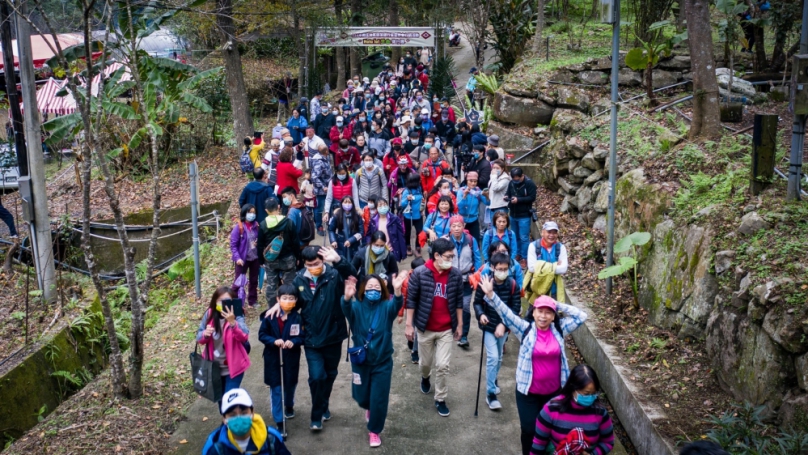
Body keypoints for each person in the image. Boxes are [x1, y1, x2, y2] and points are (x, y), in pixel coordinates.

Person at [478, 276, 588, 455]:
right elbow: (506, 314)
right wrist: (491, 295)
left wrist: (556, 304)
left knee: (552, 431)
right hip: (527, 393)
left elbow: (582, 316)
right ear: (533, 312)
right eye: (540, 311)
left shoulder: (560, 330)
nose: (543, 316)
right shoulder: (525, 329)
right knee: (529, 431)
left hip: (555, 393)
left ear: (553, 316)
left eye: (548, 312)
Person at [265, 246, 356, 431]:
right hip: (311, 338)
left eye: (316, 263)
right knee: (316, 377)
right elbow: (291, 301)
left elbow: (354, 276)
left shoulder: (334, 275)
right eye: (309, 265)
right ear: (304, 264)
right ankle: (316, 416)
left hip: (333, 335)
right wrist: (279, 305)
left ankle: (323, 404)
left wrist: (338, 260)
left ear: (322, 261)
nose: (313, 267)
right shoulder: (299, 279)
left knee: (330, 375)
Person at [341, 272, 408, 447]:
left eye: (377, 287)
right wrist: (347, 298)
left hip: (382, 362)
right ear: (363, 289)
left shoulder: (386, 307)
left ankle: (374, 430)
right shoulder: (356, 307)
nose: (373, 290)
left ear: (383, 290)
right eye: (369, 287)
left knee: (379, 398)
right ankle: (369, 407)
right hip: (360, 361)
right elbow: (346, 309)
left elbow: (397, 304)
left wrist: (398, 291)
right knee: (362, 396)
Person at [404, 238, 464, 417]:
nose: (451, 260)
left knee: (443, 365)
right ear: (436, 256)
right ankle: (425, 377)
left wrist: (460, 324)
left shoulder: (455, 275)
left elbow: (459, 301)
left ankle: (440, 398)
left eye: (453, 256)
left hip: (446, 328)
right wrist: (409, 324)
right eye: (448, 256)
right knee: (425, 364)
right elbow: (411, 300)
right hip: (425, 328)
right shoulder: (420, 273)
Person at [473, 252, 521, 410]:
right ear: (492, 267)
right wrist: (481, 315)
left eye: (505, 268)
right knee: (493, 357)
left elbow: (515, 309)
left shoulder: (513, 284)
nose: (502, 271)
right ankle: (490, 393)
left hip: (503, 328)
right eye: (499, 268)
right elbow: (477, 303)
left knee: (499, 357)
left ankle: (493, 380)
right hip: (488, 327)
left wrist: (504, 325)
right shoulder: (485, 282)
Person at [531, 364, 615, 455]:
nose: (590, 397)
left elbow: (608, 442)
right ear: (573, 388)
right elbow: (539, 443)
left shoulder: (600, 412)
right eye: (586, 394)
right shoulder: (551, 409)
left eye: (593, 394)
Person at [258, 284, 304, 434]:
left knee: (290, 384)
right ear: (278, 299)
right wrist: (273, 341)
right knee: (276, 389)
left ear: (296, 300)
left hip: (291, 358)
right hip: (273, 358)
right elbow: (262, 334)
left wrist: (295, 341)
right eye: (284, 298)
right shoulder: (270, 316)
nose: (288, 301)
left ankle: (289, 405)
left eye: (291, 298)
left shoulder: (297, 317)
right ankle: (279, 421)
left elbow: (302, 336)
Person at [196, 287, 250, 397]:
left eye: (227, 301)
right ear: (215, 301)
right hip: (214, 367)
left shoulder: (238, 314)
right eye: (220, 300)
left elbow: (244, 337)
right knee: (221, 404)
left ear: (233, 302)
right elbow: (199, 338)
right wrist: (205, 334)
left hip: (234, 367)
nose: (223, 304)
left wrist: (233, 323)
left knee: (229, 402)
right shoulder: (209, 314)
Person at [202, 388, 290, 455]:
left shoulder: (271, 439)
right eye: (232, 415)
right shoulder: (215, 448)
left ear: (252, 413)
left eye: (244, 413)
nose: (239, 418)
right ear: (224, 419)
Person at [442, 215, 481, 348]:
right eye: (454, 226)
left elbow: (477, 258)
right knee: (447, 304)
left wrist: (477, 275)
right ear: (450, 227)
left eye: (459, 226)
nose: (457, 229)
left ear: (464, 226)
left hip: (466, 279)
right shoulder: (445, 241)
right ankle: (446, 331)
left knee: (465, 307)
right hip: (449, 278)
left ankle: (463, 335)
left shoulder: (471, 240)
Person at [257, 198, 301, 305]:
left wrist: (261, 260)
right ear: (278, 207)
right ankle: (290, 305)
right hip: (288, 258)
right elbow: (295, 242)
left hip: (271, 260)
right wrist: (298, 257)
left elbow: (260, 245)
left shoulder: (263, 225)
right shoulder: (289, 222)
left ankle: (272, 307)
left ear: (266, 210)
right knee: (289, 284)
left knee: (271, 284)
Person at [526, 221, 569, 302]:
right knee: (534, 313)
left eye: (554, 232)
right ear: (543, 232)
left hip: (554, 289)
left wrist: (540, 266)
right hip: (537, 289)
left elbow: (563, 269)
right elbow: (531, 268)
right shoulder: (533, 246)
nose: (552, 235)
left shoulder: (560, 248)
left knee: (553, 313)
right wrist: (555, 266)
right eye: (549, 232)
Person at [230, 204, 261, 307]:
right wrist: (237, 258)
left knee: (253, 280)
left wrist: (258, 243)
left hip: (255, 257)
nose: (252, 215)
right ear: (244, 213)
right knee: (239, 281)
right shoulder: (239, 227)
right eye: (250, 212)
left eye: (253, 212)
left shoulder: (256, 226)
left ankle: (252, 300)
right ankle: (234, 301)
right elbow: (233, 245)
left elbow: (260, 239)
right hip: (242, 259)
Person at [507, 167, 538, 267]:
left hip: (524, 215)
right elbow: (508, 193)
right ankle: (518, 254)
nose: (516, 180)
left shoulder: (529, 184)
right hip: (513, 213)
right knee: (515, 236)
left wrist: (519, 200)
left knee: (524, 237)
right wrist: (506, 197)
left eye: (517, 178)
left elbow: (532, 197)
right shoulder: (511, 183)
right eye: (514, 178)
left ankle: (525, 257)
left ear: (522, 176)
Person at [365, 198, 407, 262]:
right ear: (376, 208)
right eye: (380, 205)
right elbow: (369, 235)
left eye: (385, 205)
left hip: (391, 250)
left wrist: (403, 252)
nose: (383, 207)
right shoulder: (373, 221)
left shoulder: (394, 219)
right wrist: (369, 244)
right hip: (378, 250)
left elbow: (400, 236)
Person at [328, 196, 363, 261]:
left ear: (353, 204)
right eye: (345, 202)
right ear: (342, 204)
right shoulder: (337, 215)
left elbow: (361, 232)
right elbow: (331, 229)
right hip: (340, 244)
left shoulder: (357, 216)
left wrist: (351, 240)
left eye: (349, 202)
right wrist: (333, 240)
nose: (347, 204)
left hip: (354, 244)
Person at [457, 171, 489, 241]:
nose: (473, 183)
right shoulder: (461, 191)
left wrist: (487, 196)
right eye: (470, 181)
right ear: (467, 180)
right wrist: (464, 196)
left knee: (475, 241)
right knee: (463, 241)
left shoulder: (477, 191)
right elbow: (459, 207)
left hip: (474, 220)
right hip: (462, 220)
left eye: (475, 181)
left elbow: (487, 203)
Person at [309, 144, 332, 236]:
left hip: (329, 187)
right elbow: (314, 177)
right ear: (325, 151)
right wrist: (323, 187)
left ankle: (329, 224)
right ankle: (319, 226)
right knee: (319, 209)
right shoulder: (318, 161)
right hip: (322, 191)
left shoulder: (326, 158)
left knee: (329, 207)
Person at [399, 173, 424, 257]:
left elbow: (422, 199)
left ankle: (418, 247)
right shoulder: (406, 191)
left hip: (419, 215)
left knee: (419, 232)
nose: (420, 181)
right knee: (407, 232)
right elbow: (402, 204)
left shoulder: (419, 189)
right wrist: (407, 199)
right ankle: (408, 246)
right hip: (408, 216)